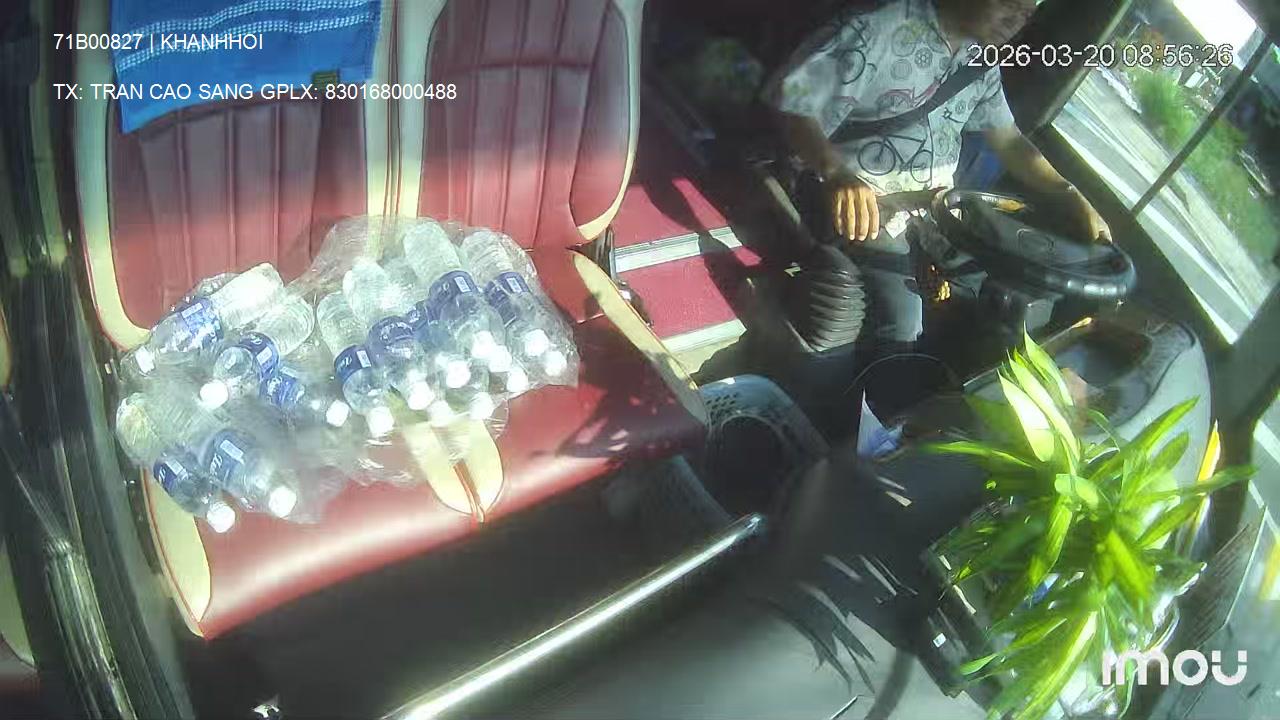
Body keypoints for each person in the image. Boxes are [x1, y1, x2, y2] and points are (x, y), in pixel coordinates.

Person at [766, 0, 1112, 354]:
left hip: (935, 216)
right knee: (903, 324)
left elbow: (1009, 141)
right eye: (1007, 3)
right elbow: (791, 102)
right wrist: (836, 172)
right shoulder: (875, 27)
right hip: (859, 205)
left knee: (1011, 300)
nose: (1015, 20)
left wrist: (1069, 194)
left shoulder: (980, 60)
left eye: (1026, 13)